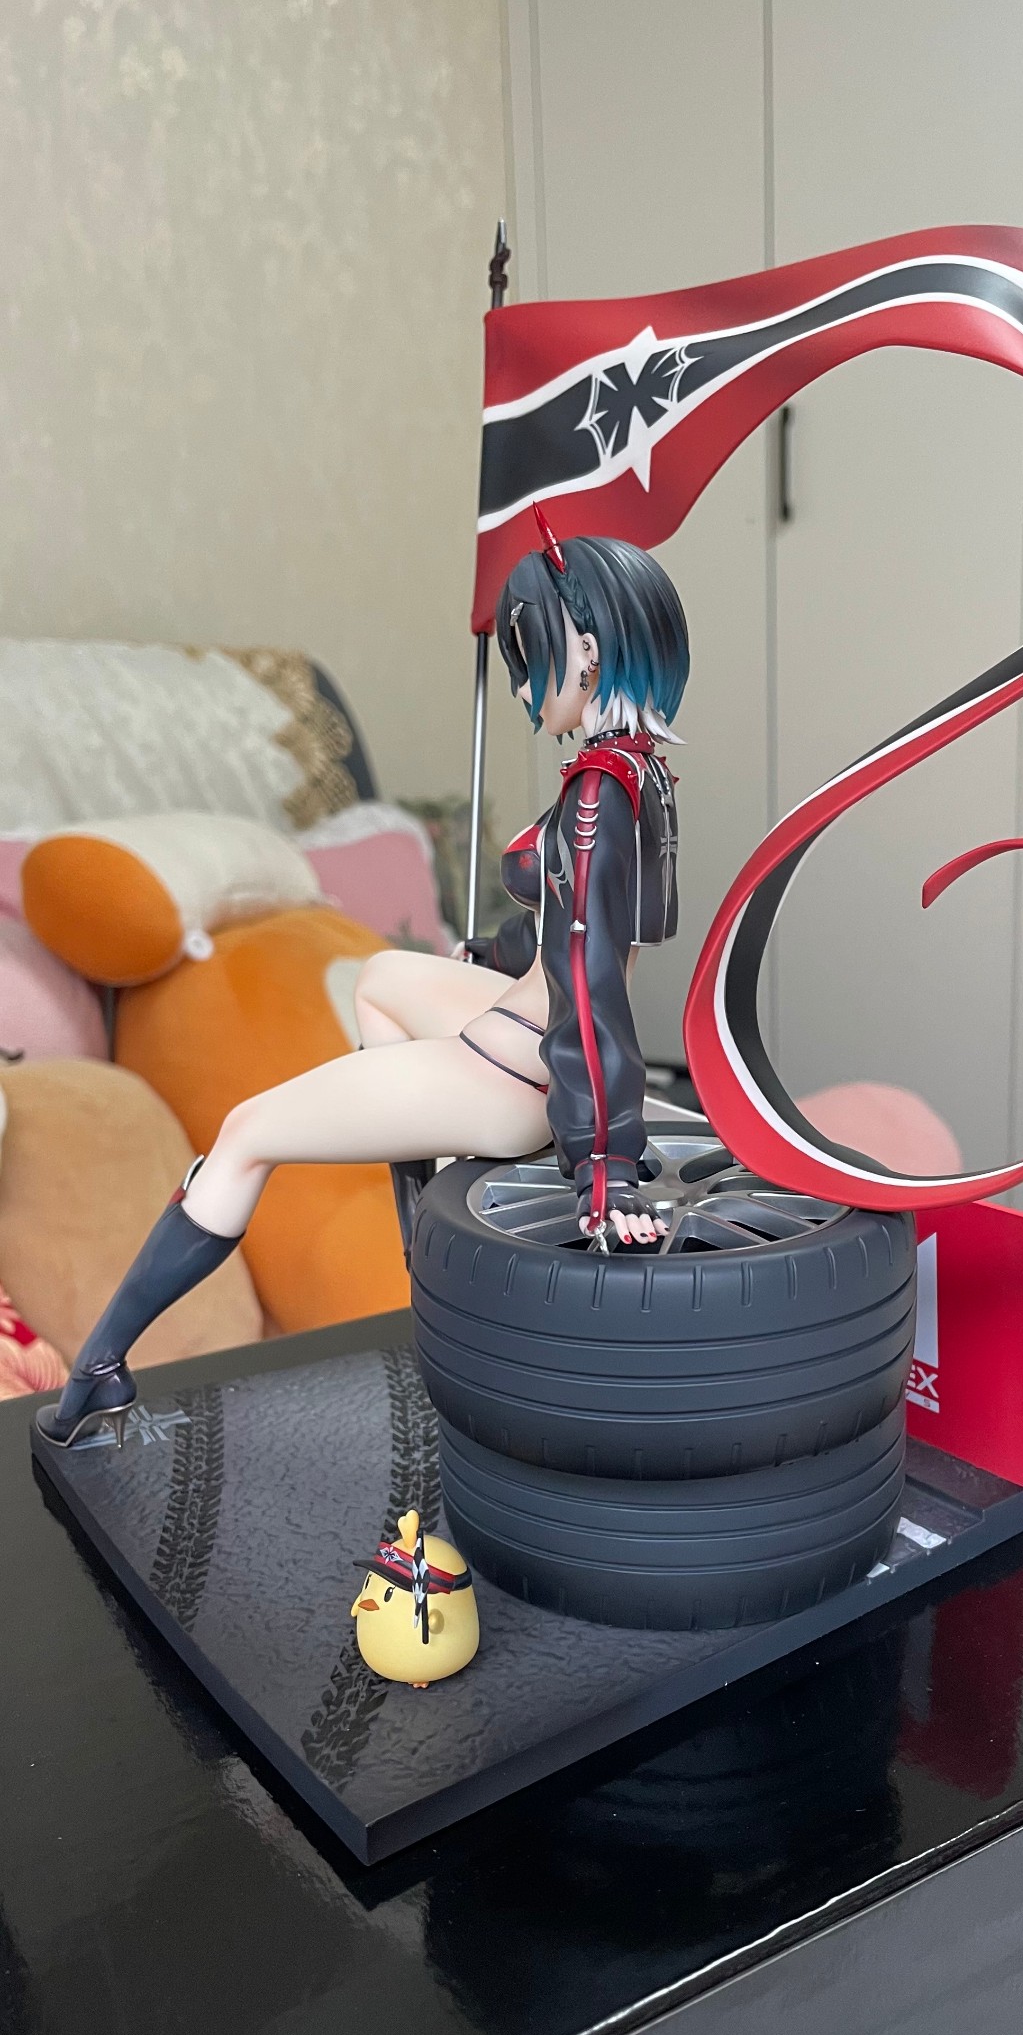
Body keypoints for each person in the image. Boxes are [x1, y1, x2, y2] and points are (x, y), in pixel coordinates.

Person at [35, 510, 690, 1451]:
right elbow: (586, 931)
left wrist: (605, 1168)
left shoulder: (595, 793)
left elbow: (591, 982)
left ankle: (99, 1364)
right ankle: (427, 1244)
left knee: (245, 1133)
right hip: (531, 1026)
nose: (521, 685)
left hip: (528, 1070)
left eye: (531, 656)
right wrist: (490, 954)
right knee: (379, 977)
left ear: (585, 649)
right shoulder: (638, 775)